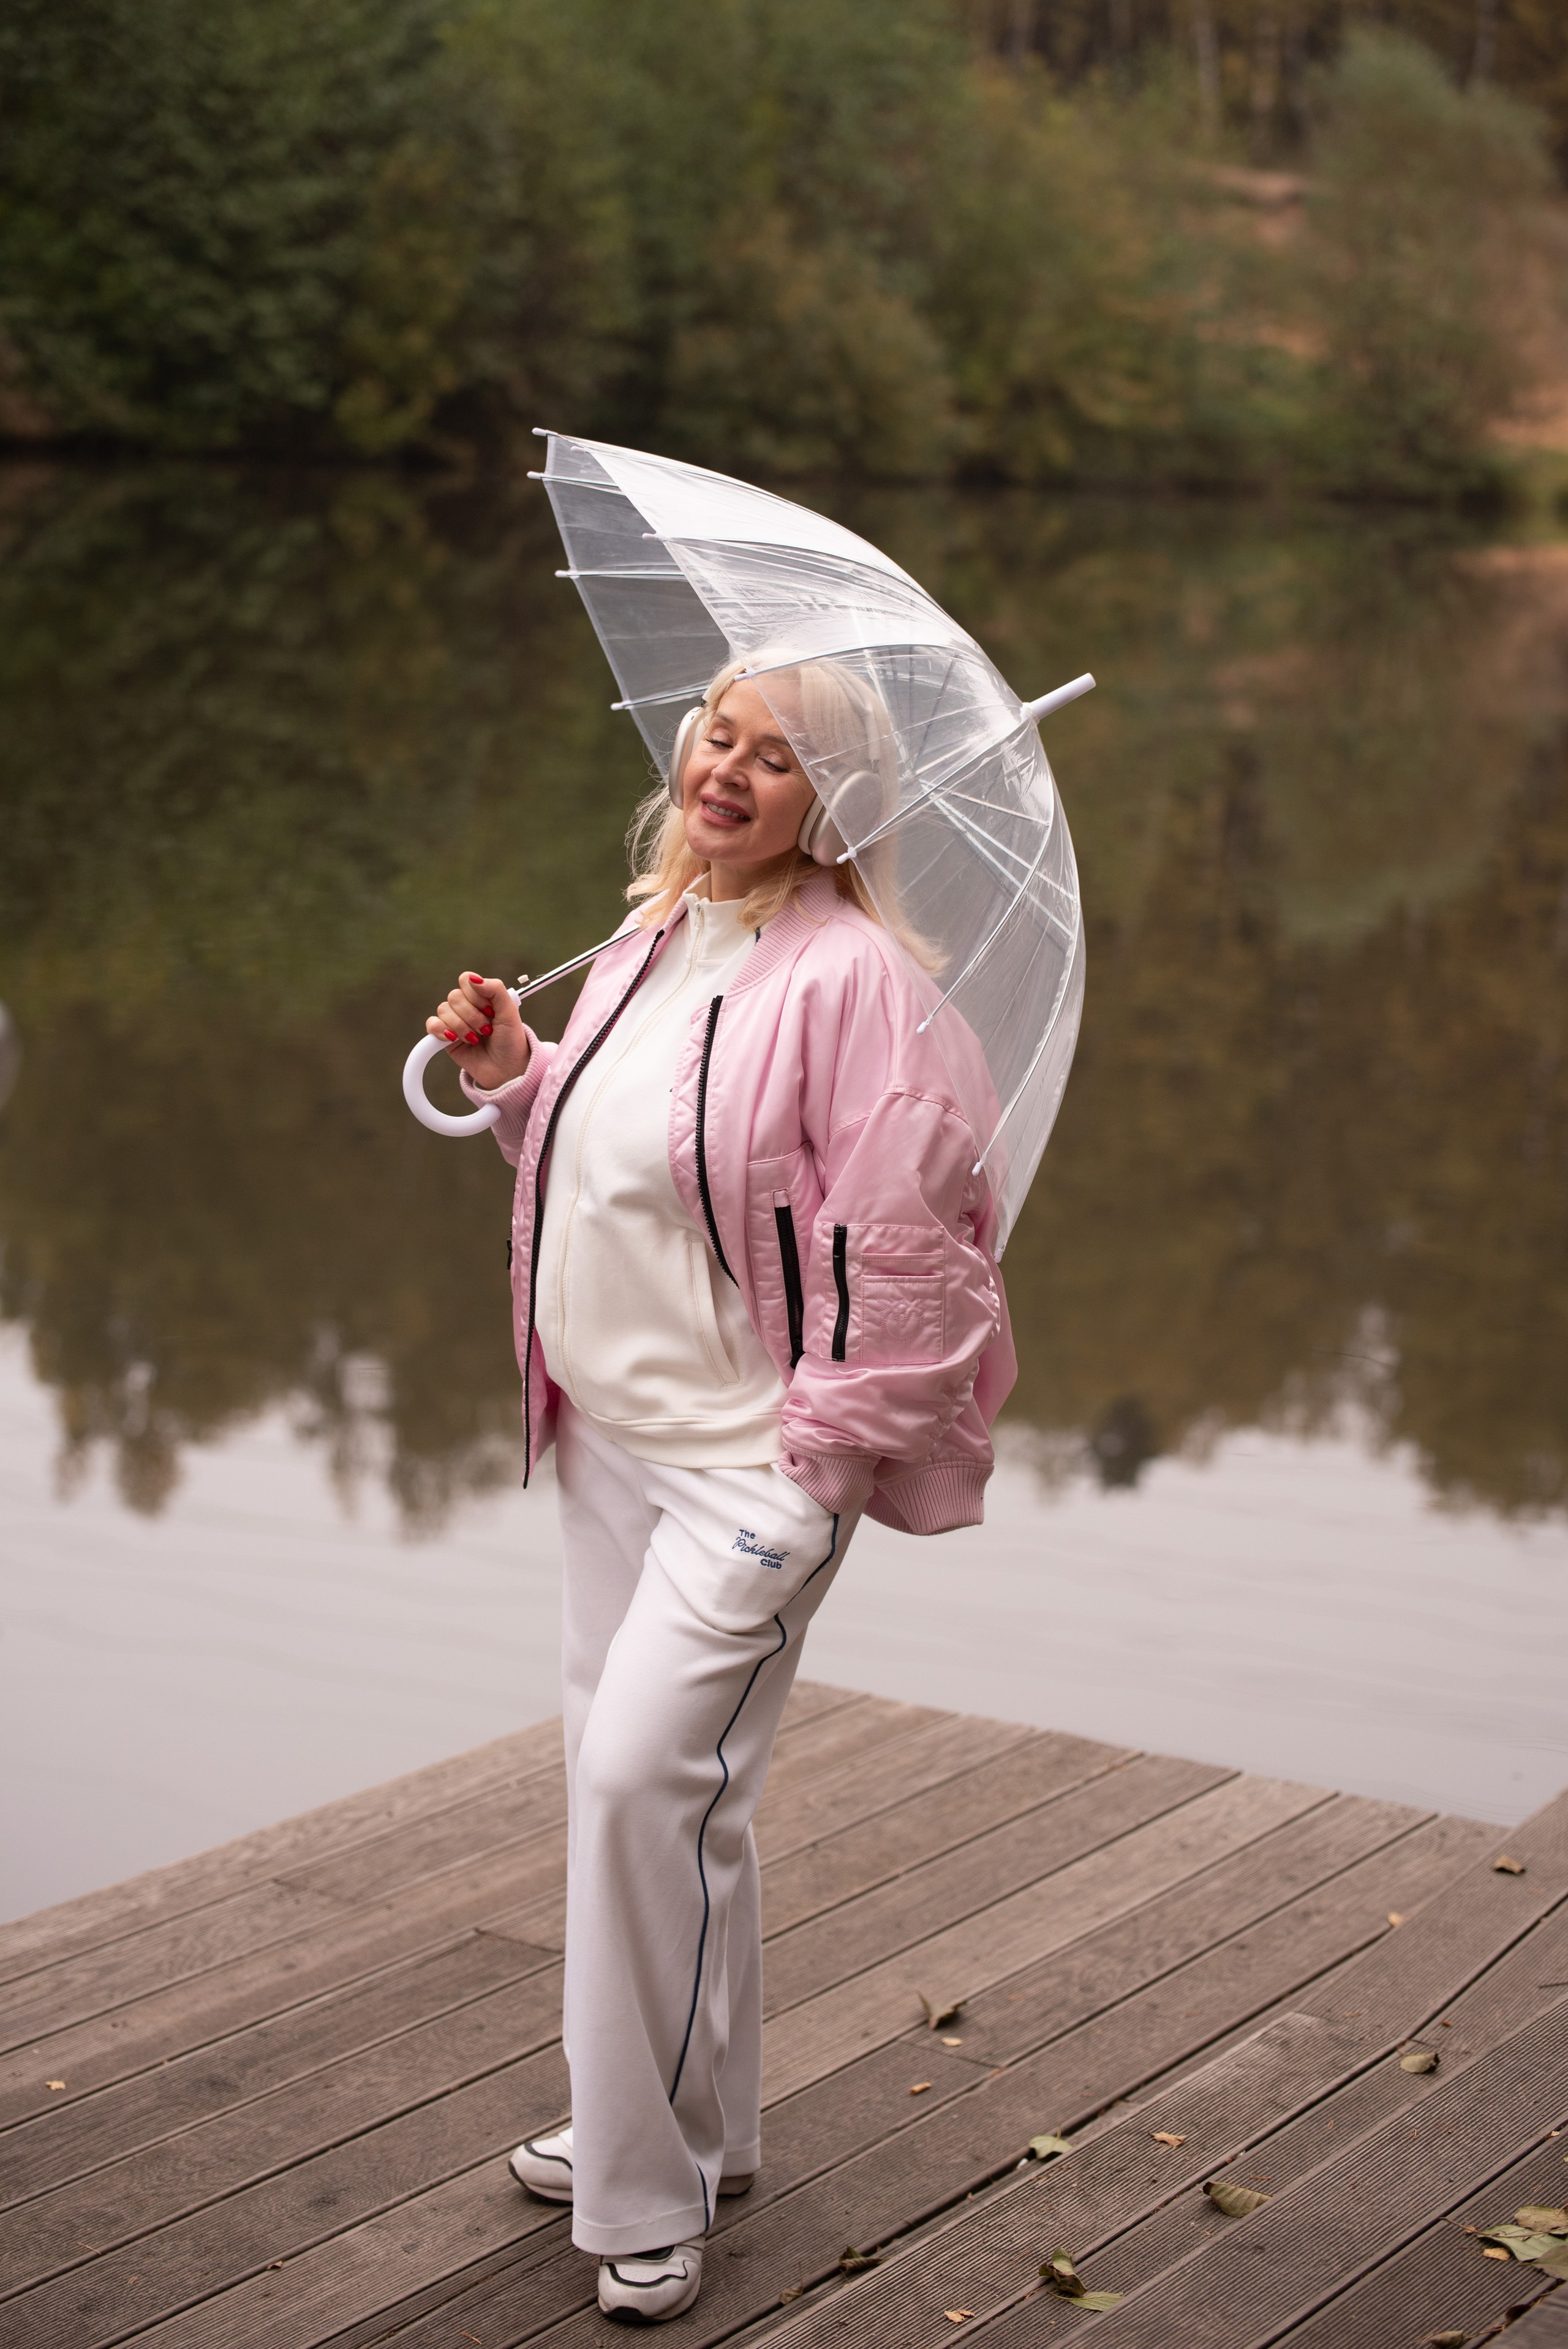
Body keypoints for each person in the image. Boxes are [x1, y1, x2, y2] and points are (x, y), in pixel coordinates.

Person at [426, 654, 1016, 2323]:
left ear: (834, 805)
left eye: (777, 758)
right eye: (719, 735)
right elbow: (623, 1171)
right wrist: (512, 1077)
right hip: (608, 1442)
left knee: (636, 1790)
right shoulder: (649, 939)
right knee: (685, 1804)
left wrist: (809, 1478)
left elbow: (915, 1268)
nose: (730, 770)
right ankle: (706, 2127)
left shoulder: (863, 991)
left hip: (745, 1474)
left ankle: (642, 2186)